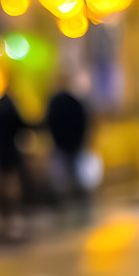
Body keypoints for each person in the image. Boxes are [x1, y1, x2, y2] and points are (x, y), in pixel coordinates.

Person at [0, 77, 31, 237]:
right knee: (13, 183)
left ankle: (4, 212)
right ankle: (14, 211)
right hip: (11, 149)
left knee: (2, 183)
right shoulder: (11, 105)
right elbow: (21, 125)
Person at [43, 78, 92, 218]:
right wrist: (81, 139)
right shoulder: (74, 101)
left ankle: (65, 202)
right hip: (74, 142)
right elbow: (83, 120)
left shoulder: (54, 102)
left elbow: (49, 121)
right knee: (76, 173)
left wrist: (55, 138)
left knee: (61, 174)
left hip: (60, 142)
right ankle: (80, 200)